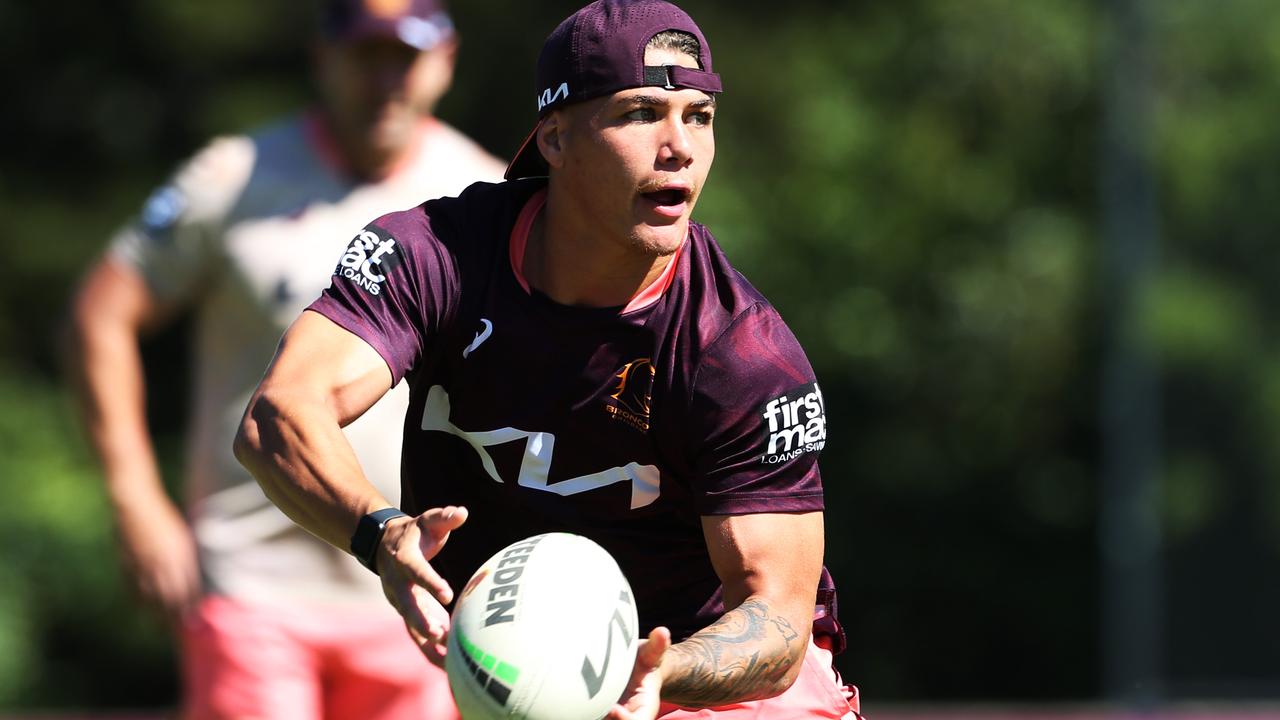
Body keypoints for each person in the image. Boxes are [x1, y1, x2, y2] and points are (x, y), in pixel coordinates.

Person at [233, 0, 861, 717]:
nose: (679, 146)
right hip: (523, 672)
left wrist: (654, 670)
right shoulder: (435, 257)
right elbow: (280, 416)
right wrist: (381, 535)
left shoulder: (741, 355)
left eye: (699, 115)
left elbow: (776, 624)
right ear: (556, 139)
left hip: (705, 675)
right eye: (639, 113)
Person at [67, 0, 505, 717]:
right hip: (251, 588)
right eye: (367, 55)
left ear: (446, 62)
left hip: (419, 599)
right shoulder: (232, 178)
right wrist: (137, 500)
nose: (386, 80)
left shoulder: (485, 199)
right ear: (324, 57)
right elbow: (101, 313)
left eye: (407, 56)